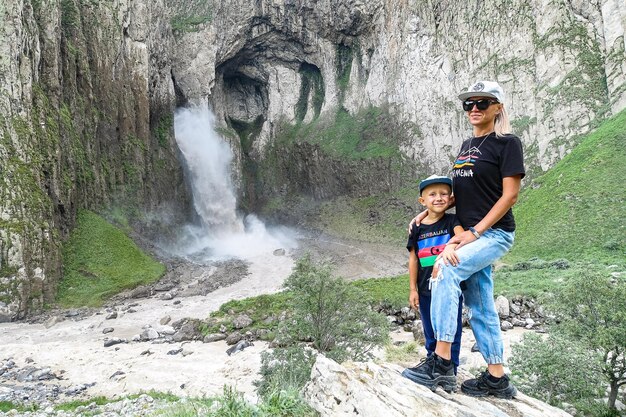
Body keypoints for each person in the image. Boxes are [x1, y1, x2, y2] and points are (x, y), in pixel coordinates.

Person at [407, 81, 524, 399]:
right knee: (482, 305)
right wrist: (429, 213)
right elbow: (466, 194)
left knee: (445, 269)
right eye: (468, 104)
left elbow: (509, 195)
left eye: (482, 103)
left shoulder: (507, 143)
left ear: (497, 108)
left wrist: (475, 232)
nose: (474, 108)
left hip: (493, 234)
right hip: (471, 236)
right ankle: (497, 379)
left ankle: (442, 364)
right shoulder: (466, 147)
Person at [401, 175, 465, 390]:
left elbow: (461, 237)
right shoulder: (417, 228)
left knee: (451, 329)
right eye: (432, 194)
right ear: (422, 201)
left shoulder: (452, 221)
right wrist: (413, 289)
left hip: (447, 288)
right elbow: (413, 259)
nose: (439, 198)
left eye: (444, 194)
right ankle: (431, 365)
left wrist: (452, 245)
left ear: (451, 198)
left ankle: (450, 371)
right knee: (430, 330)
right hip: (425, 288)